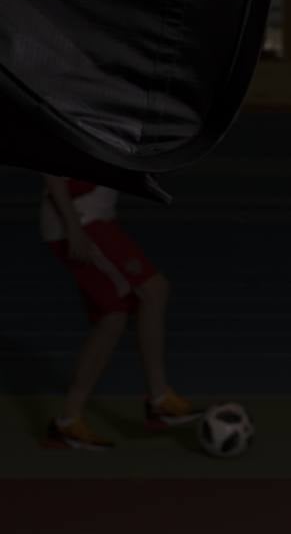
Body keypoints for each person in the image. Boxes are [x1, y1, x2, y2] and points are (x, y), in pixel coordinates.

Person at [40, 175, 201, 449]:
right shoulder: (84, 129)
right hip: (82, 220)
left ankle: (68, 422)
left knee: (112, 318)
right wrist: (73, 227)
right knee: (154, 290)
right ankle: (159, 399)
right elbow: (54, 173)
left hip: (92, 217)